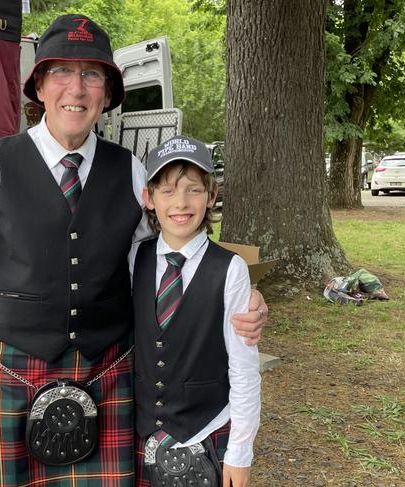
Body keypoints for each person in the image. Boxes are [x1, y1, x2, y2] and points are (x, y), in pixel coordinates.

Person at [0, 14, 268, 487]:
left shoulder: (131, 171)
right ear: (40, 88)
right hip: (14, 377)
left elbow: (164, 263)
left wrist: (239, 294)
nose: (77, 88)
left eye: (91, 74)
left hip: (106, 375)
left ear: (107, 95)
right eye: (61, 73)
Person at [132, 137, 261, 487]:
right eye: (168, 191)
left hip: (206, 430)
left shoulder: (230, 269)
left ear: (212, 195)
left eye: (193, 190)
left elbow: (244, 368)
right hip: (143, 434)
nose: (181, 203)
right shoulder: (135, 259)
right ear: (149, 198)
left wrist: (240, 452)